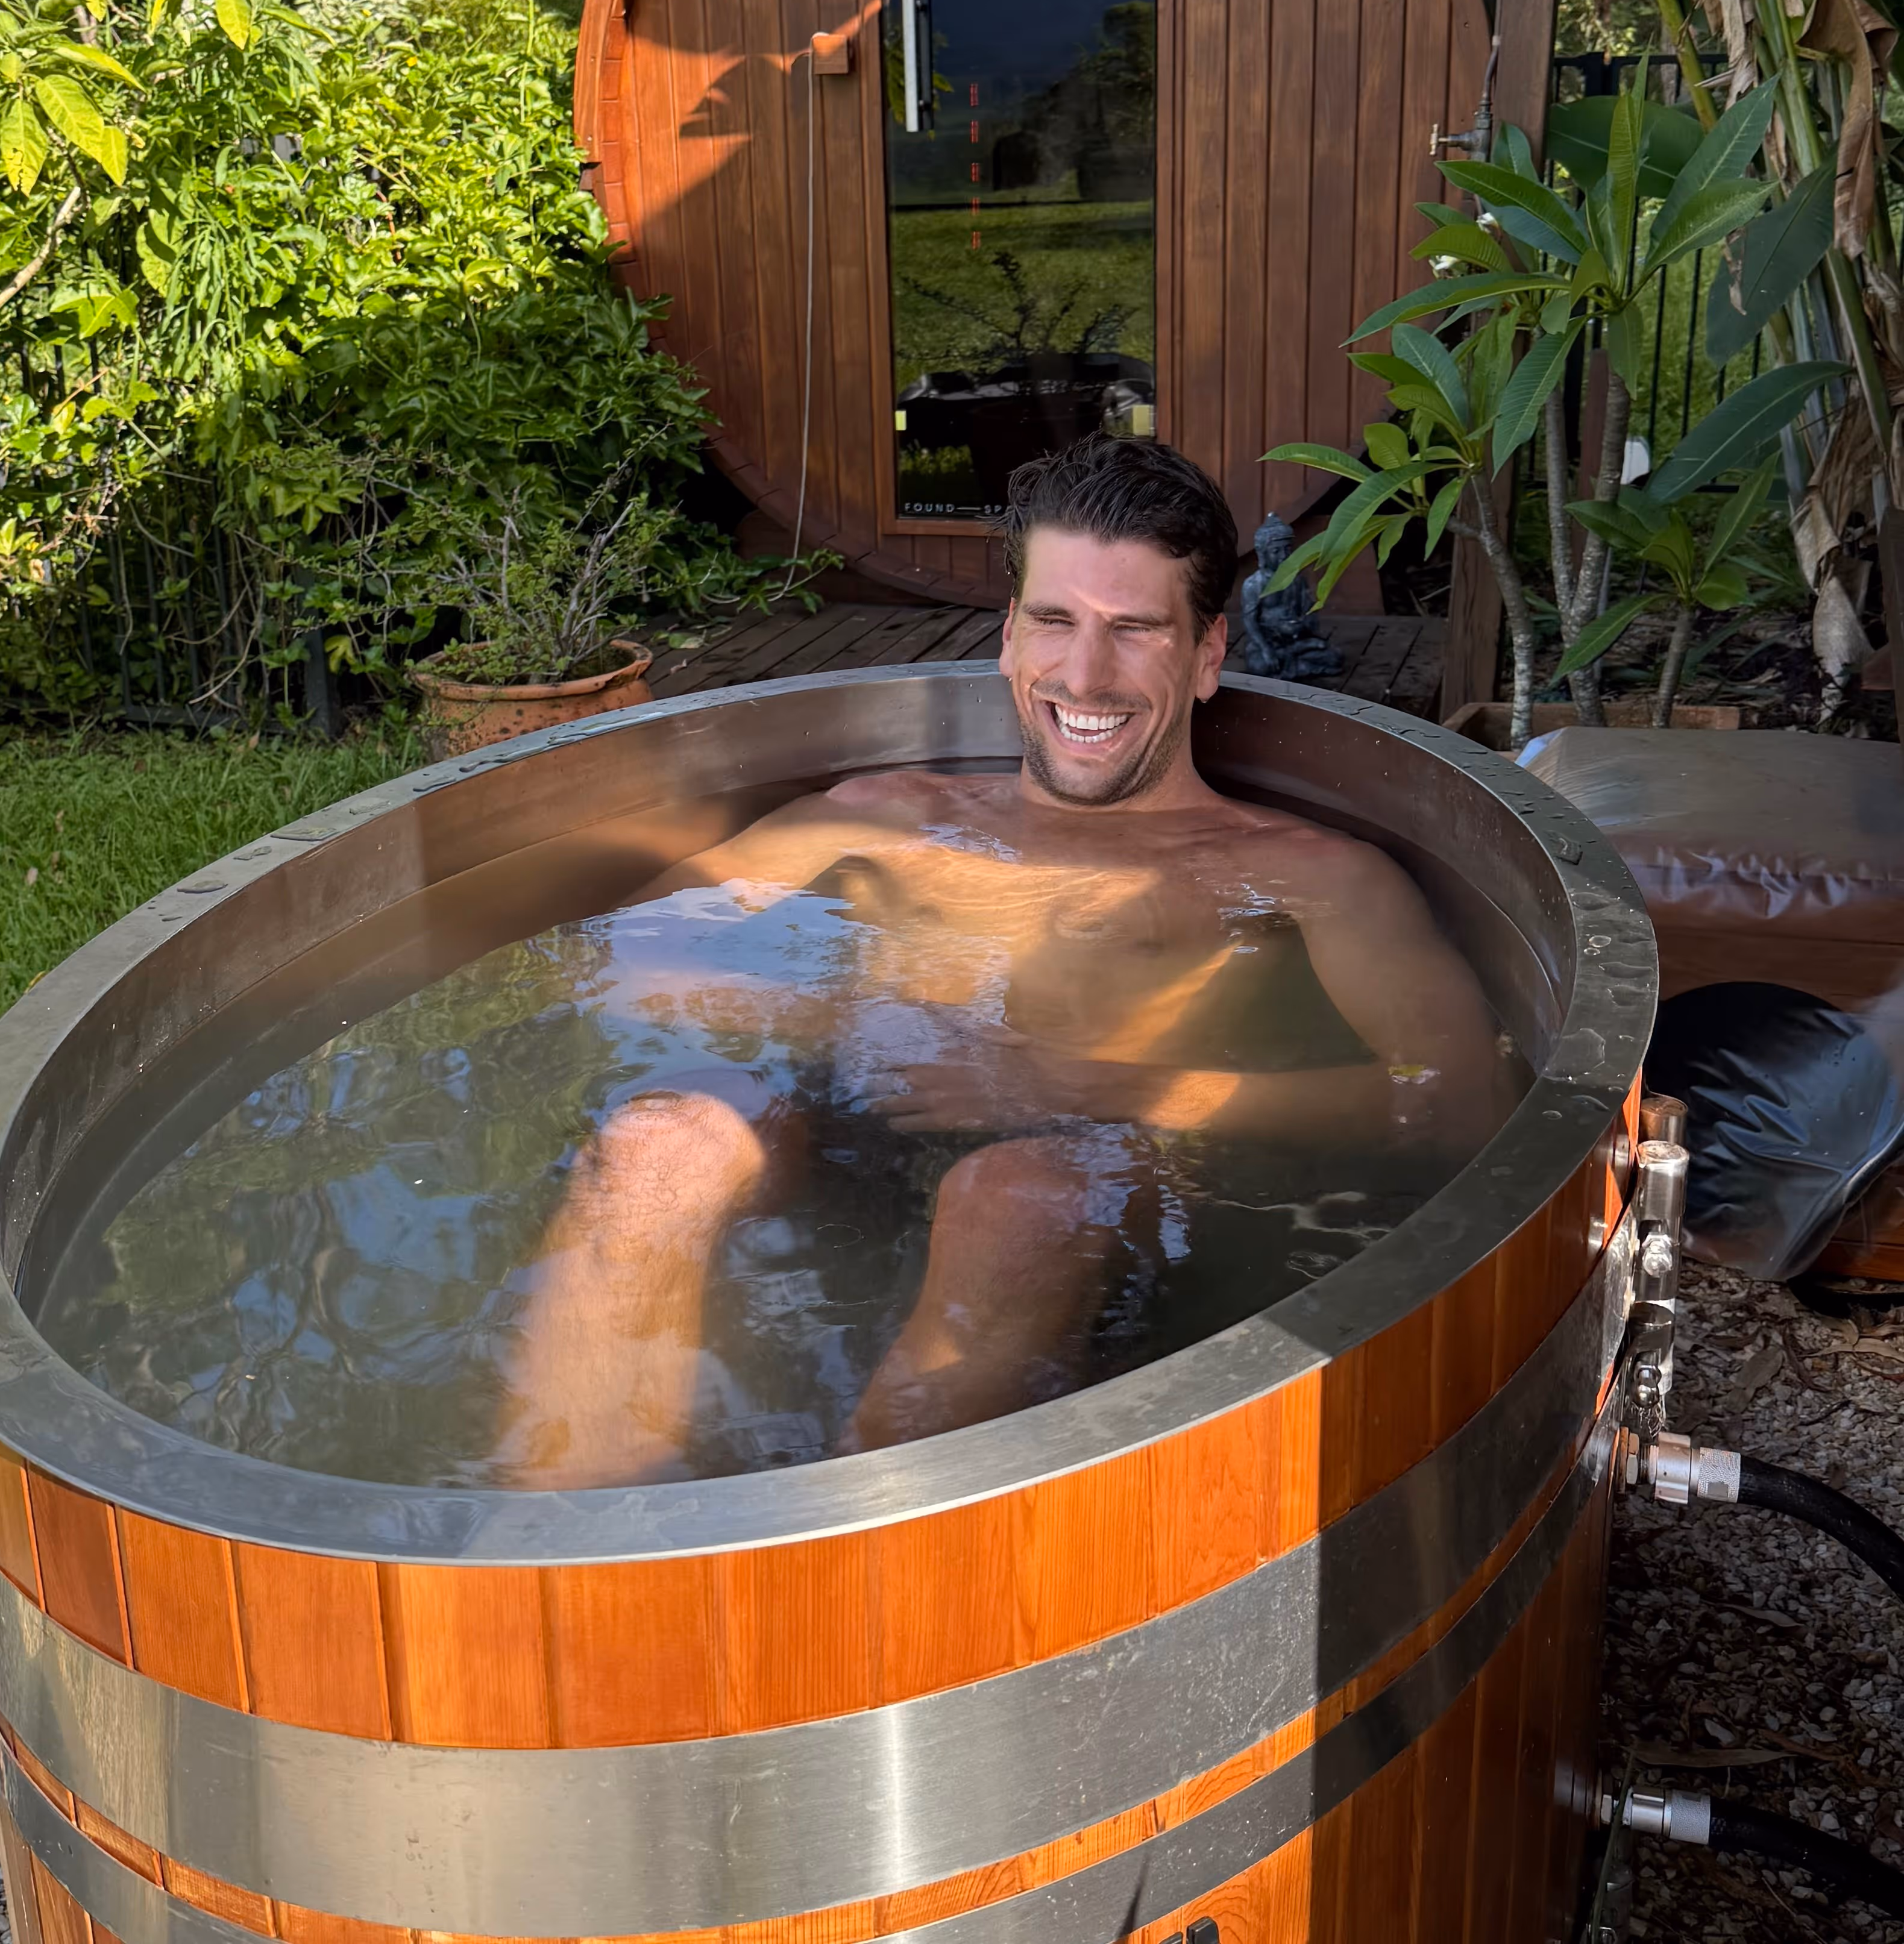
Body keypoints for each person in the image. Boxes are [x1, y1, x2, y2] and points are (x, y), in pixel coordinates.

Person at [491, 434, 1510, 1488]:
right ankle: (574, 1559)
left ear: (1208, 655)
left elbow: (1450, 1102)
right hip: (843, 1125)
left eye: (1135, 631)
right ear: (1010, 636)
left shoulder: (1308, 874)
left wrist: (1078, 1082)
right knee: (657, 1144)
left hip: (1098, 1164)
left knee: (1020, 1193)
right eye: (1056, 621)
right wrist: (841, 1024)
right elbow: (610, 957)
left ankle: (848, 1582)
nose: (1085, 674)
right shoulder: (884, 817)